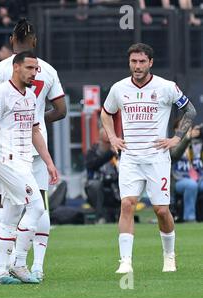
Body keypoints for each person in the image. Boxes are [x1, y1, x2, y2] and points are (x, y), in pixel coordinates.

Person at [100, 43, 197, 274]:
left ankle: (169, 256)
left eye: (142, 61)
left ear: (150, 63)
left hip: (157, 159)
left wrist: (176, 139)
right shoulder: (119, 88)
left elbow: (190, 111)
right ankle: (125, 262)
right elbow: (106, 112)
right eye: (134, 61)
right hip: (130, 158)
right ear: (129, 63)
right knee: (127, 204)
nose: (137, 66)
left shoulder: (166, 87)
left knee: (161, 211)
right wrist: (113, 137)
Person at [0, 18, 67, 282]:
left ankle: (0, 270)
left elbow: (31, 127)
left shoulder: (5, 78)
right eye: (30, 69)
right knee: (36, 207)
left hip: (24, 151)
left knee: (6, 210)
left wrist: (50, 161)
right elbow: (61, 110)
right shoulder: (44, 73)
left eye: (35, 69)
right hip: (8, 155)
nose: (34, 73)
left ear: (12, 40)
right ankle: (25, 264)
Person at [85, 127, 120, 223]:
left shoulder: (119, 152)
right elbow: (92, 165)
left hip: (115, 185)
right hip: (98, 185)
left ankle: (125, 216)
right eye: (106, 142)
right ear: (99, 140)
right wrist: (109, 153)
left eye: (110, 142)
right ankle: (100, 217)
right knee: (94, 185)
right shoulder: (92, 151)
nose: (109, 145)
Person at [171, 125, 203, 222]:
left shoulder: (195, 144)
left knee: (194, 184)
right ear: (176, 129)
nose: (187, 130)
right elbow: (175, 154)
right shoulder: (171, 144)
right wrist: (187, 138)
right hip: (178, 180)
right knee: (191, 185)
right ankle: (190, 218)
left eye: (189, 128)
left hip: (196, 178)